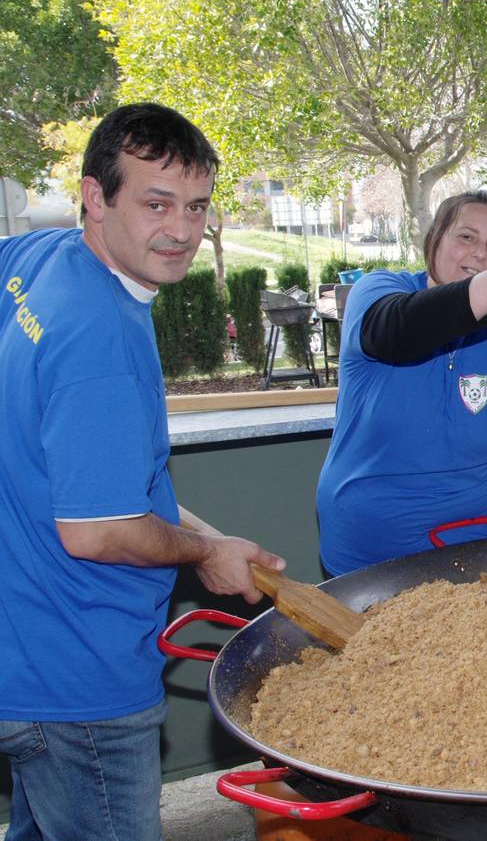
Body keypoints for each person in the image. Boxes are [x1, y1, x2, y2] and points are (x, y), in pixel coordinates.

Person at [0, 103, 286, 840]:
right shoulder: (96, 335)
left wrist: (205, 536)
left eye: (195, 206)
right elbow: (98, 533)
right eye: (156, 203)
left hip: (21, 651)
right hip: (80, 674)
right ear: (95, 198)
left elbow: (103, 482)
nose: (183, 230)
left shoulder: (38, 259)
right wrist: (205, 552)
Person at [316, 191, 487, 576]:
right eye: (466, 237)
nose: (480, 253)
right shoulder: (379, 291)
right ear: (434, 241)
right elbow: (397, 330)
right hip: (373, 555)